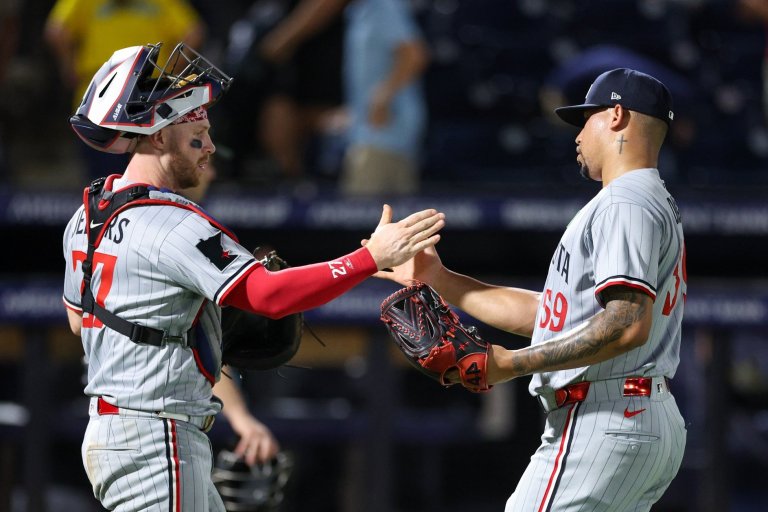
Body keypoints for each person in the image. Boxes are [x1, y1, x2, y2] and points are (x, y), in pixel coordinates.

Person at [61, 42, 444, 511]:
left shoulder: (86, 216)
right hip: (154, 436)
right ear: (157, 138)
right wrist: (370, 257)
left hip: (122, 429)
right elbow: (267, 295)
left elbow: (81, 322)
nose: (210, 147)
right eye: (197, 135)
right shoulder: (171, 221)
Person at [376, 68, 687, 510]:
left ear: (616, 115)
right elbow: (554, 317)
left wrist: (510, 363)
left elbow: (624, 326)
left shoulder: (625, 201)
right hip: (631, 414)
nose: (578, 134)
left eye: (586, 119)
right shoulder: (645, 198)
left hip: (604, 417)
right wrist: (439, 280)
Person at [44, 0, 206, 180]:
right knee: (152, 176)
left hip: (113, 97)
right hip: (142, 98)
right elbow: (56, 31)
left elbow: (57, 31)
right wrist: (172, 73)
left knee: (107, 178)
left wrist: (68, 66)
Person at [340, 0, 429, 196]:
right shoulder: (357, 11)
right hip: (366, 129)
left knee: (365, 215)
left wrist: (383, 97)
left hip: (384, 133)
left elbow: (414, 55)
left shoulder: (384, 6)